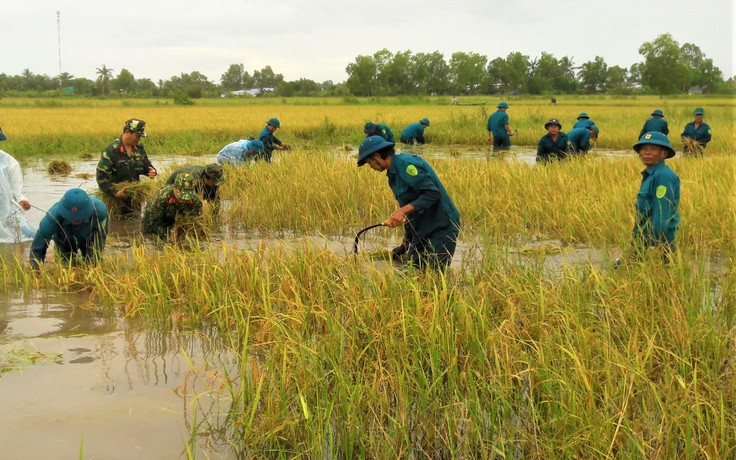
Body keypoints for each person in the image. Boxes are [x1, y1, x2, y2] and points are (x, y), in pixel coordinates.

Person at [357, 136, 460, 271]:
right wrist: (405, 244)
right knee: (410, 272)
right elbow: (411, 210)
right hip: (422, 227)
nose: (370, 167)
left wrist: (400, 212)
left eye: (368, 162)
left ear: (376, 156)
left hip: (442, 226)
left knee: (434, 276)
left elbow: (432, 193)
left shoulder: (406, 164)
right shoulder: (392, 176)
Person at [629, 132, 680, 261]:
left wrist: (655, 245)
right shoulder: (651, 175)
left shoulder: (663, 176)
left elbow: (662, 214)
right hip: (643, 239)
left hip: (659, 243)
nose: (647, 152)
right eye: (644, 148)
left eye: (653, 149)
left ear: (664, 154)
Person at [29, 188, 109, 268]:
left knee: (93, 265)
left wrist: (94, 259)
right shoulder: (53, 216)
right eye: (72, 217)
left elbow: (100, 238)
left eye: (79, 217)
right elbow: (38, 247)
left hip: (90, 240)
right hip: (63, 242)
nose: (76, 220)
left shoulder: (99, 212)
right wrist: (36, 272)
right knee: (65, 267)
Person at [96, 119, 157, 218]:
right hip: (116, 200)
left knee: (134, 224)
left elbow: (146, 164)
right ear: (128, 132)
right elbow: (101, 176)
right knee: (116, 226)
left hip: (134, 197)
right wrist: (115, 193)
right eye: (137, 136)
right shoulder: (112, 150)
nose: (139, 139)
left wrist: (151, 170)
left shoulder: (139, 147)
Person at [0, 125, 36, 243]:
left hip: (5, 210)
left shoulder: (8, 162)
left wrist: (22, 199)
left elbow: (15, 190)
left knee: (28, 237)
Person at [141, 173, 203, 241]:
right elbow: (152, 224)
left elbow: (193, 221)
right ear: (174, 188)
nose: (184, 199)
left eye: (187, 196)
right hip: (157, 222)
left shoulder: (196, 201)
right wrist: (167, 236)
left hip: (174, 221)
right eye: (181, 196)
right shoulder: (160, 199)